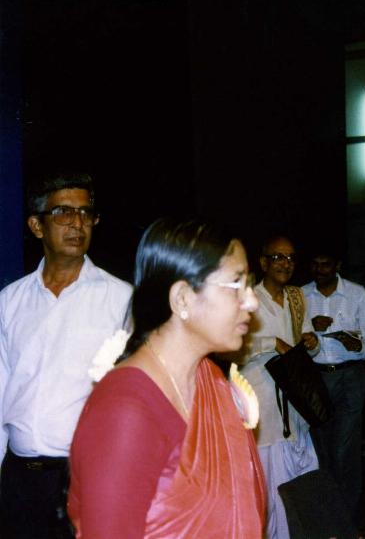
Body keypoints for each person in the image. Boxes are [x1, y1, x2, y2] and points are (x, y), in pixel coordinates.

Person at [67, 217, 266, 537]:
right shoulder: (124, 411)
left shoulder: (210, 378)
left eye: (250, 284)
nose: (252, 301)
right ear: (182, 298)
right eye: (236, 284)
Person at [0, 173, 132, 539]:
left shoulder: (121, 299)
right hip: (18, 482)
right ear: (36, 226)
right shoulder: (10, 301)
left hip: (87, 480)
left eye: (86, 213)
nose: (77, 223)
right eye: (63, 212)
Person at [239, 236, 320, 539]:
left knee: (300, 485)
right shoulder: (248, 299)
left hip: (295, 406)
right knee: (268, 491)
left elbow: (307, 344)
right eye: (278, 258)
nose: (286, 264)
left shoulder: (296, 298)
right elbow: (235, 350)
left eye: (291, 258)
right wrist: (271, 343)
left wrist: (312, 342)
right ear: (263, 262)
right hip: (263, 409)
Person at [301, 247, 365, 520]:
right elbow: (289, 338)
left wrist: (357, 345)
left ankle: (347, 515)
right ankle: (325, 515)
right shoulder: (301, 295)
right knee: (319, 448)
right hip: (315, 377)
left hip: (349, 377)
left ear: (338, 265)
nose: (319, 269)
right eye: (315, 263)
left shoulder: (356, 294)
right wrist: (309, 327)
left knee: (344, 448)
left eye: (326, 264)